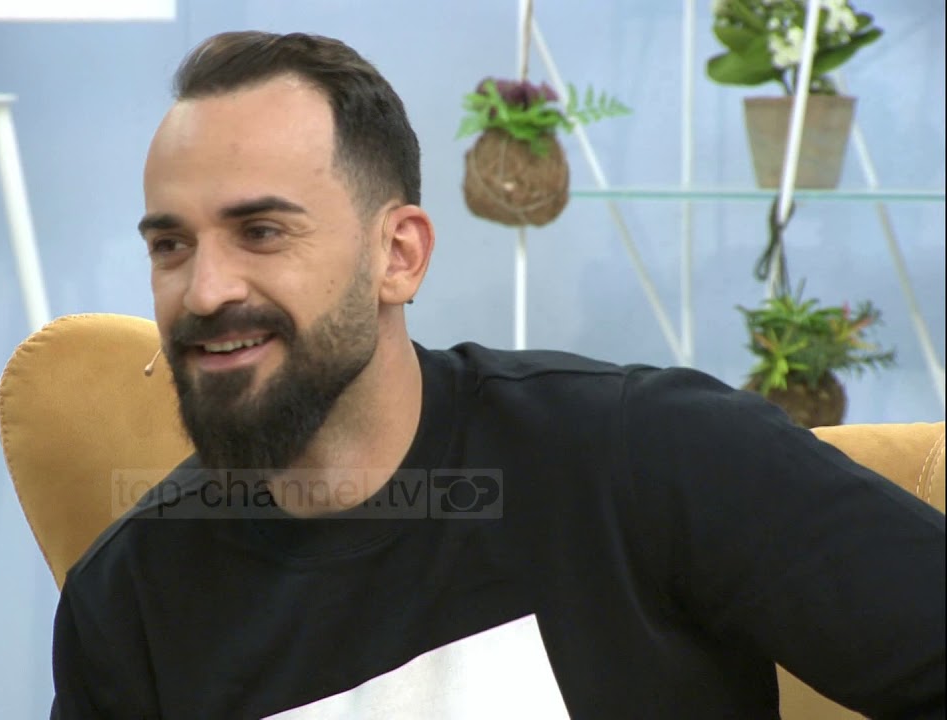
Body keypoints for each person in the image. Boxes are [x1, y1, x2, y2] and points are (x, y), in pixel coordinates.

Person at [50, 30, 945, 719]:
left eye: (262, 232)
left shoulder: (644, 454)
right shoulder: (128, 601)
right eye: (171, 245)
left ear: (398, 256)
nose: (205, 290)